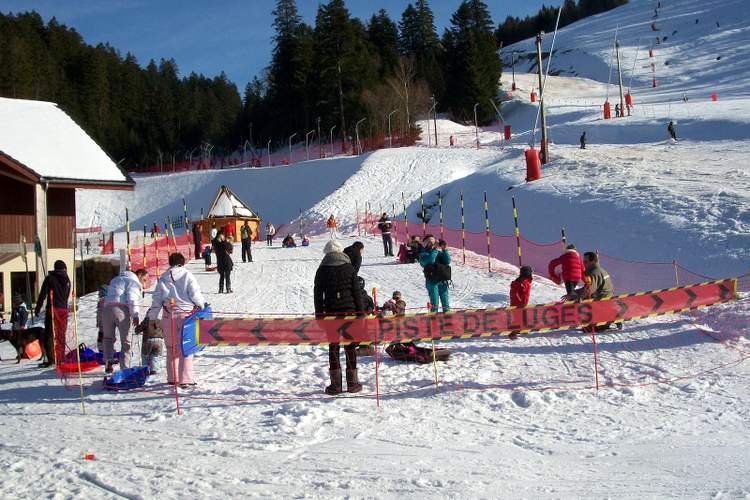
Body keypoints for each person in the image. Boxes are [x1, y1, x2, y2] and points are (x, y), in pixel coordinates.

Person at [146, 253, 205, 387]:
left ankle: (173, 378)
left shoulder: (164, 277)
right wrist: (201, 305)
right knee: (186, 347)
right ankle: (186, 379)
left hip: (168, 316)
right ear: (182, 262)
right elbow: (195, 294)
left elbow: (157, 299)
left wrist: (153, 317)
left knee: (171, 348)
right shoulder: (187, 275)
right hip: (186, 316)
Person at [314, 240, 364, 395]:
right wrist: (360, 313)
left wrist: (319, 315)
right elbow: (356, 292)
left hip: (330, 313)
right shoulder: (349, 268)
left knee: (333, 348)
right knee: (350, 347)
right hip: (349, 312)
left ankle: (335, 385)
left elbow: (317, 295)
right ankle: (352, 383)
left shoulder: (322, 269)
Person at [102, 268, 148, 373]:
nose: (144, 284)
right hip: (121, 310)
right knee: (126, 341)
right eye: (144, 280)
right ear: (139, 275)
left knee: (108, 338)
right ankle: (125, 367)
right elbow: (132, 299)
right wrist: (135, 315)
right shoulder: (133, 282)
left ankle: (108, 361)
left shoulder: (115, 279)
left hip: (107, 309)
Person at [34, 260, 71, 368]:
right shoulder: (67, 279)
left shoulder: (50, 278)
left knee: (49, 334)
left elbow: (43, 294)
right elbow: (67, 294)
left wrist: (38, 308)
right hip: (63, 310)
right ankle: (60, 357)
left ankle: (51, 359)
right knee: (61, 334)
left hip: (53, 309)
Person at [419, 237, 451, 313]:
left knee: (445, 303)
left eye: (434, 242)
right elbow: (430, 261)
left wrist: (444, 250)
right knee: (434, 303)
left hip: (442, 280)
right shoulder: (423, 254)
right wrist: (435, 249)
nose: (433, 244)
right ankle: (433, 319)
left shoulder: (437, 252)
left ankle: (448, 319)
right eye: (431, 242)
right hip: (431, 281)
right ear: (426, 244)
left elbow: (447, 261)